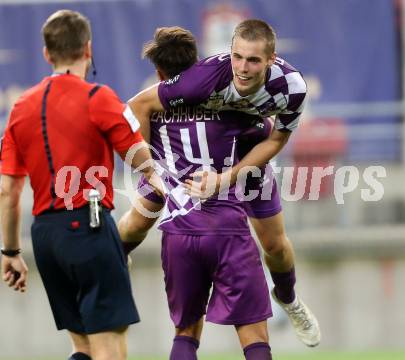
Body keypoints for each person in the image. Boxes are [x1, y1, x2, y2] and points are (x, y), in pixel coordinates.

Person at [125, 20, 321, 347]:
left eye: (253, 61)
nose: (242, 68)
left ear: (271, 59)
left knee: (274, 245)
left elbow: (278, 139)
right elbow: (138, 106)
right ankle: (110, 263)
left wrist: (228, 178)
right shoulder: (200, 81)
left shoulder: (291, 88)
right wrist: (151, 170)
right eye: (237, 57)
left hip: (246, 159)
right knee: (135, 222)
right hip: (188, 167)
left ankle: (288, 298)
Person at [0, 10, 156, 360]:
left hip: (45, 238)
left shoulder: (20, 108)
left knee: (82, 347)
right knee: (109, 349)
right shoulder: (97, 98)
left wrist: (10, 252)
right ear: (88, 49)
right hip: (88, 225)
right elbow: (138, 157)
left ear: (46, 54)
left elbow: (7, 191)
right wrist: (159, 179)